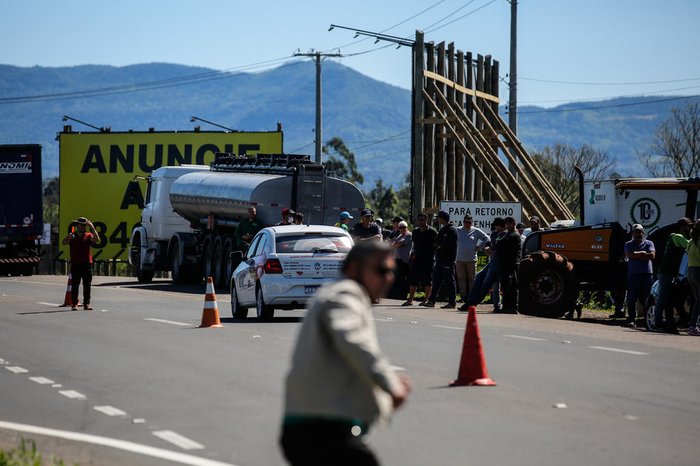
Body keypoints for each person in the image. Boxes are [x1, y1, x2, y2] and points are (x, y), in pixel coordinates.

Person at [280, 241, 411, 465]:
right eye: (381, 270)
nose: (388, 278)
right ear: (353, 268)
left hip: (315, 427)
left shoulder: (339, 293)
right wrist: (390, 384)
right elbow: (352, 339)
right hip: (319, 429)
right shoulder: (345, 295)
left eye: (391, 271)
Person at [653, 217, 692, 333]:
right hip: (666, 272)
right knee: (662, 297)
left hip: (669, 272)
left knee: (667, 298)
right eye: (688, 226)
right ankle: (657, 322)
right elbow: (690, 245)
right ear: (682, 227)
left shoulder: (674, 236)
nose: (690, 228)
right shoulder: (677, 237)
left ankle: (669, 322)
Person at [461, 217, 505, 312]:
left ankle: (473, 304)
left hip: (500, 263)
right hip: (492, 262)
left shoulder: (505, 235)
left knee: (488, 285)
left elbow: (498, 247)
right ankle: (470, 302)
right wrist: (487, 248)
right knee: (478, 278)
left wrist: (490, 248)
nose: (496, 228)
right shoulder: (495, 234)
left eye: (497, 226)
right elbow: (491, 244)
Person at [62, 217, 100, 311]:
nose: (82, 227)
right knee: (75, 285)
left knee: (87, 285)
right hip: (75, 264)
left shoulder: (88, 235)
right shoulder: (72, 236)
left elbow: (96, 240)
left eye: (84, 225)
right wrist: (67, 237)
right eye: (80, 225)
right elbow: (64, 243)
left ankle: (86, 303)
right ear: (77, 226)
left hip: (86, 263)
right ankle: (74, 303)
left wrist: (92, 227)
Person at [421, 210, 458, 309]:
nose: (437, 219)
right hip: (440, 259)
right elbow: (437, 242)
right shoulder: (442, 229)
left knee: (450, 281)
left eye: (439, 217)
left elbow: (448, 245)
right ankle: (432, 301)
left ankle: (452, 302)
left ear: (442, 218)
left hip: (448, 260)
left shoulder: (452, 230)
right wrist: (438, 246)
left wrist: (440, 246)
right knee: (436, 280)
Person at [624, 223, 655, 328]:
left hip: (647, 274)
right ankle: (631, 319)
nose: (638, 234)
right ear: (632, 233)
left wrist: (637, 254)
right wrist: (642, 253)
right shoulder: (628, 244)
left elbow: (652, 255)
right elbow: (629, 255)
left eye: (639, 232)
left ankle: (647, 319)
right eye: (635, 232)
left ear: (643, 232)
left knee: (647, 298)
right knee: (632, 298)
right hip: (634, 275)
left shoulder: (649, 243)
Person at [403, 213, 437, 306]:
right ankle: (410, 300)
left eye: (423, 220)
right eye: (419, 220)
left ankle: (426, 300)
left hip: (428, 260)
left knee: (427, 280)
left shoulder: (432, 232)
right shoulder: (415, 231)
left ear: (426, 220)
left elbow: (436, 246)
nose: (421, 222)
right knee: (413, 280)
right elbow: (414, 244)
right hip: (417, 259)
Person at [455, 214, 489, 302]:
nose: (468, 224)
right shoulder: (458, 230)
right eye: (466, 222)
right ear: (463, 222)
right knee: (461, 279)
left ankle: (471, 296)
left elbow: (487, 238)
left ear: (472, 222)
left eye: (469, 222)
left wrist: (480, 247)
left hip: (471, 260)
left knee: (472, 279)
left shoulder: (476, 231)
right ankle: (463, 296)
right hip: (459, 259)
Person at [495, 216, 522, 313]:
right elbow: (498, 243)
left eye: (510, 223)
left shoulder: (514, 235)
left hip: (512, 264)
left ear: (514, 224)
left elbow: (500, 243)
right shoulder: (506, 234)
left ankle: (514, 307)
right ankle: (506, 306)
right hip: (504, 264)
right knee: (505, 287)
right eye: (506, 224)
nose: (508, 225)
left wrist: (499, 242)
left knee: (512, 286)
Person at [388, 221, 412, 300]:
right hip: (397, 259)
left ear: (406, 227)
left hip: (404, 260)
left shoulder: (408, 235)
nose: (402, 229)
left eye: (403, 227)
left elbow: (398, 244)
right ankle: (397, 294)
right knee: (397, 278)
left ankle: (403, 295)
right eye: (400, 227)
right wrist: (396, 243)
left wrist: (396, 243)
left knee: (403, 278)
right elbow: (393, 245)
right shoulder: (400, 235)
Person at [686, 220, 700, 336]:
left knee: (697, 300)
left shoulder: (691, 241)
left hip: (691, 271)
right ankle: (692, 325)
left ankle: (693, 325)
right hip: (698, 270)